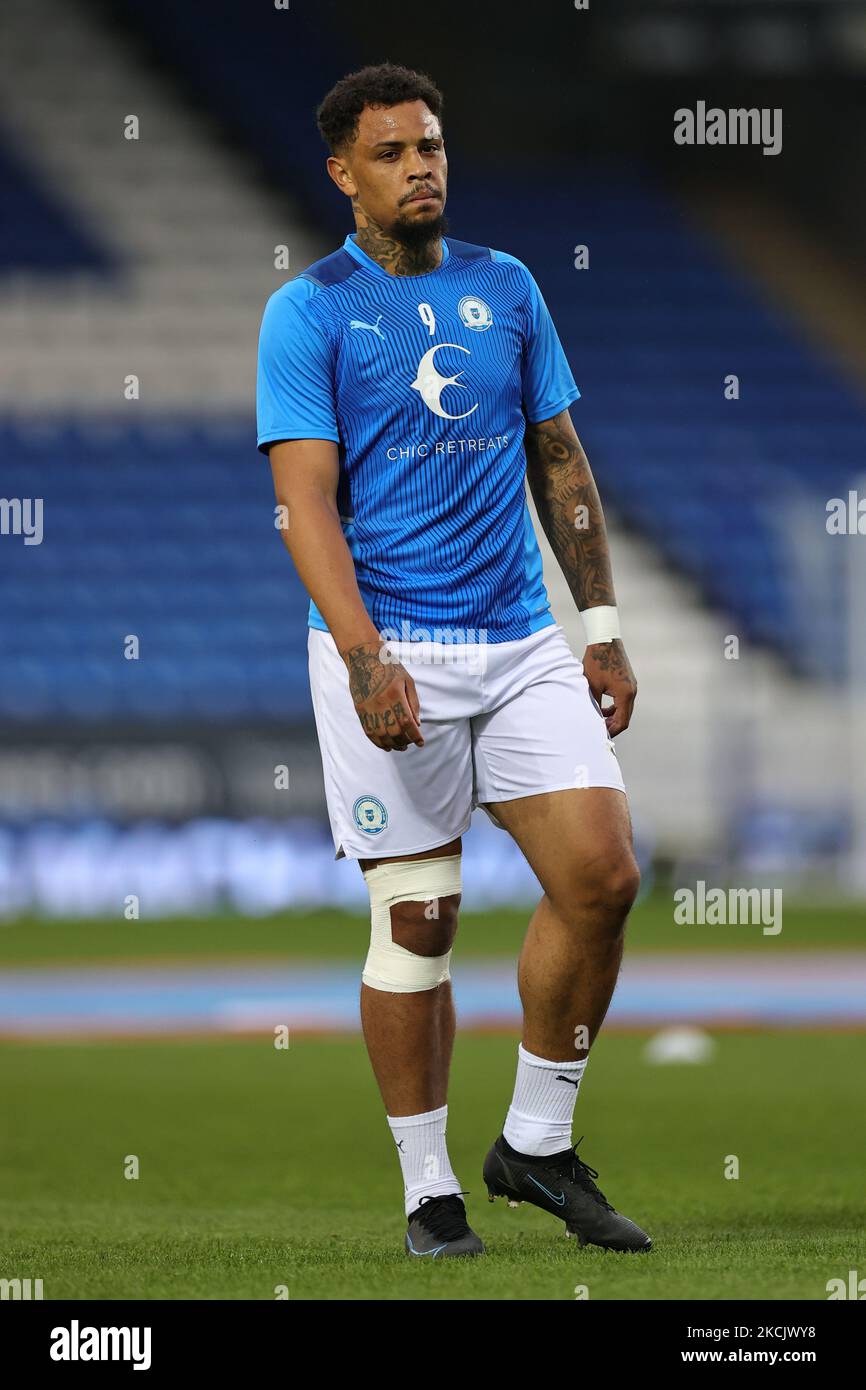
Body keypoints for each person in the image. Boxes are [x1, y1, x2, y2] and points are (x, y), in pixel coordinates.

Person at [256, 62, 651, 1257]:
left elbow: (560, 458)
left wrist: (599, 627)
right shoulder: (310, 309)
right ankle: (430, 1188)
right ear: (343, 174)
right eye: (391, 152)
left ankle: (532, 1145)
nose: (419, 165)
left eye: (429, 145)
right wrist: (368, 658)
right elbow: (305, 505)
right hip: (391, 651)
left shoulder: (507, 285)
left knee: (602, 876)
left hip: (521, 641)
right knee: (419, 918)